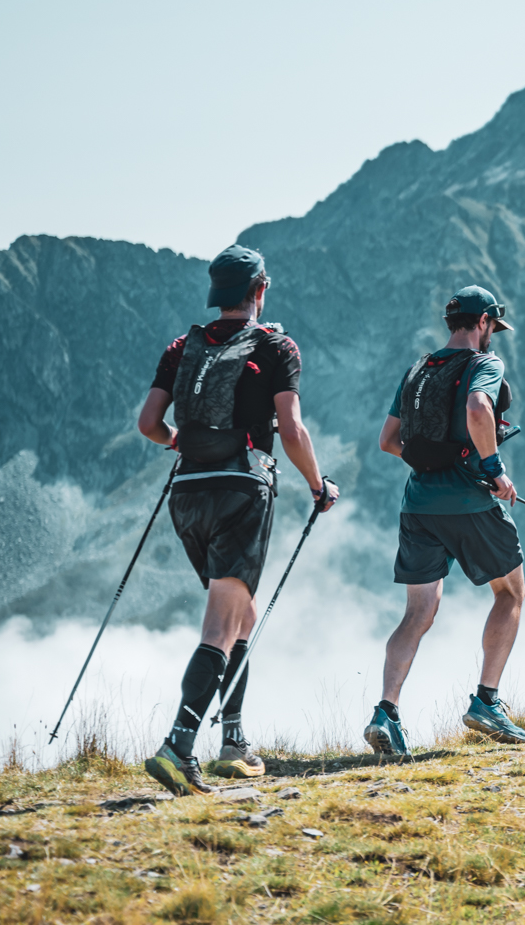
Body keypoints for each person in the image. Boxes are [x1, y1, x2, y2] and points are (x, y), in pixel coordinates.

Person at [137, 245, 340, 796]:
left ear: (215, 292)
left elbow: (149, 423)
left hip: (187, 492)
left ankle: (233, 742)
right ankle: (180, 744)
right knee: (221, 625)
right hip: (242, 491)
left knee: (241, 615)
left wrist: (182, 442)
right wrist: (318, 486)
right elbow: (292, 430)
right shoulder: (276, 346)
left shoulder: (183, 347)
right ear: (260, 290)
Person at [365, 286, 525, 755]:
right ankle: (487, 702)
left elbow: (388, 440)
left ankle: (386, 712)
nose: (493, 336)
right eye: (493, 327)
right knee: (510, 593)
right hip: (470, 503)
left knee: (417, 613)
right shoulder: (484, 365)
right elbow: (479, 408)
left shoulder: (419, 369)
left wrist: (433, 464)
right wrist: (491, 469)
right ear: (482, 323)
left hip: (418, 504)